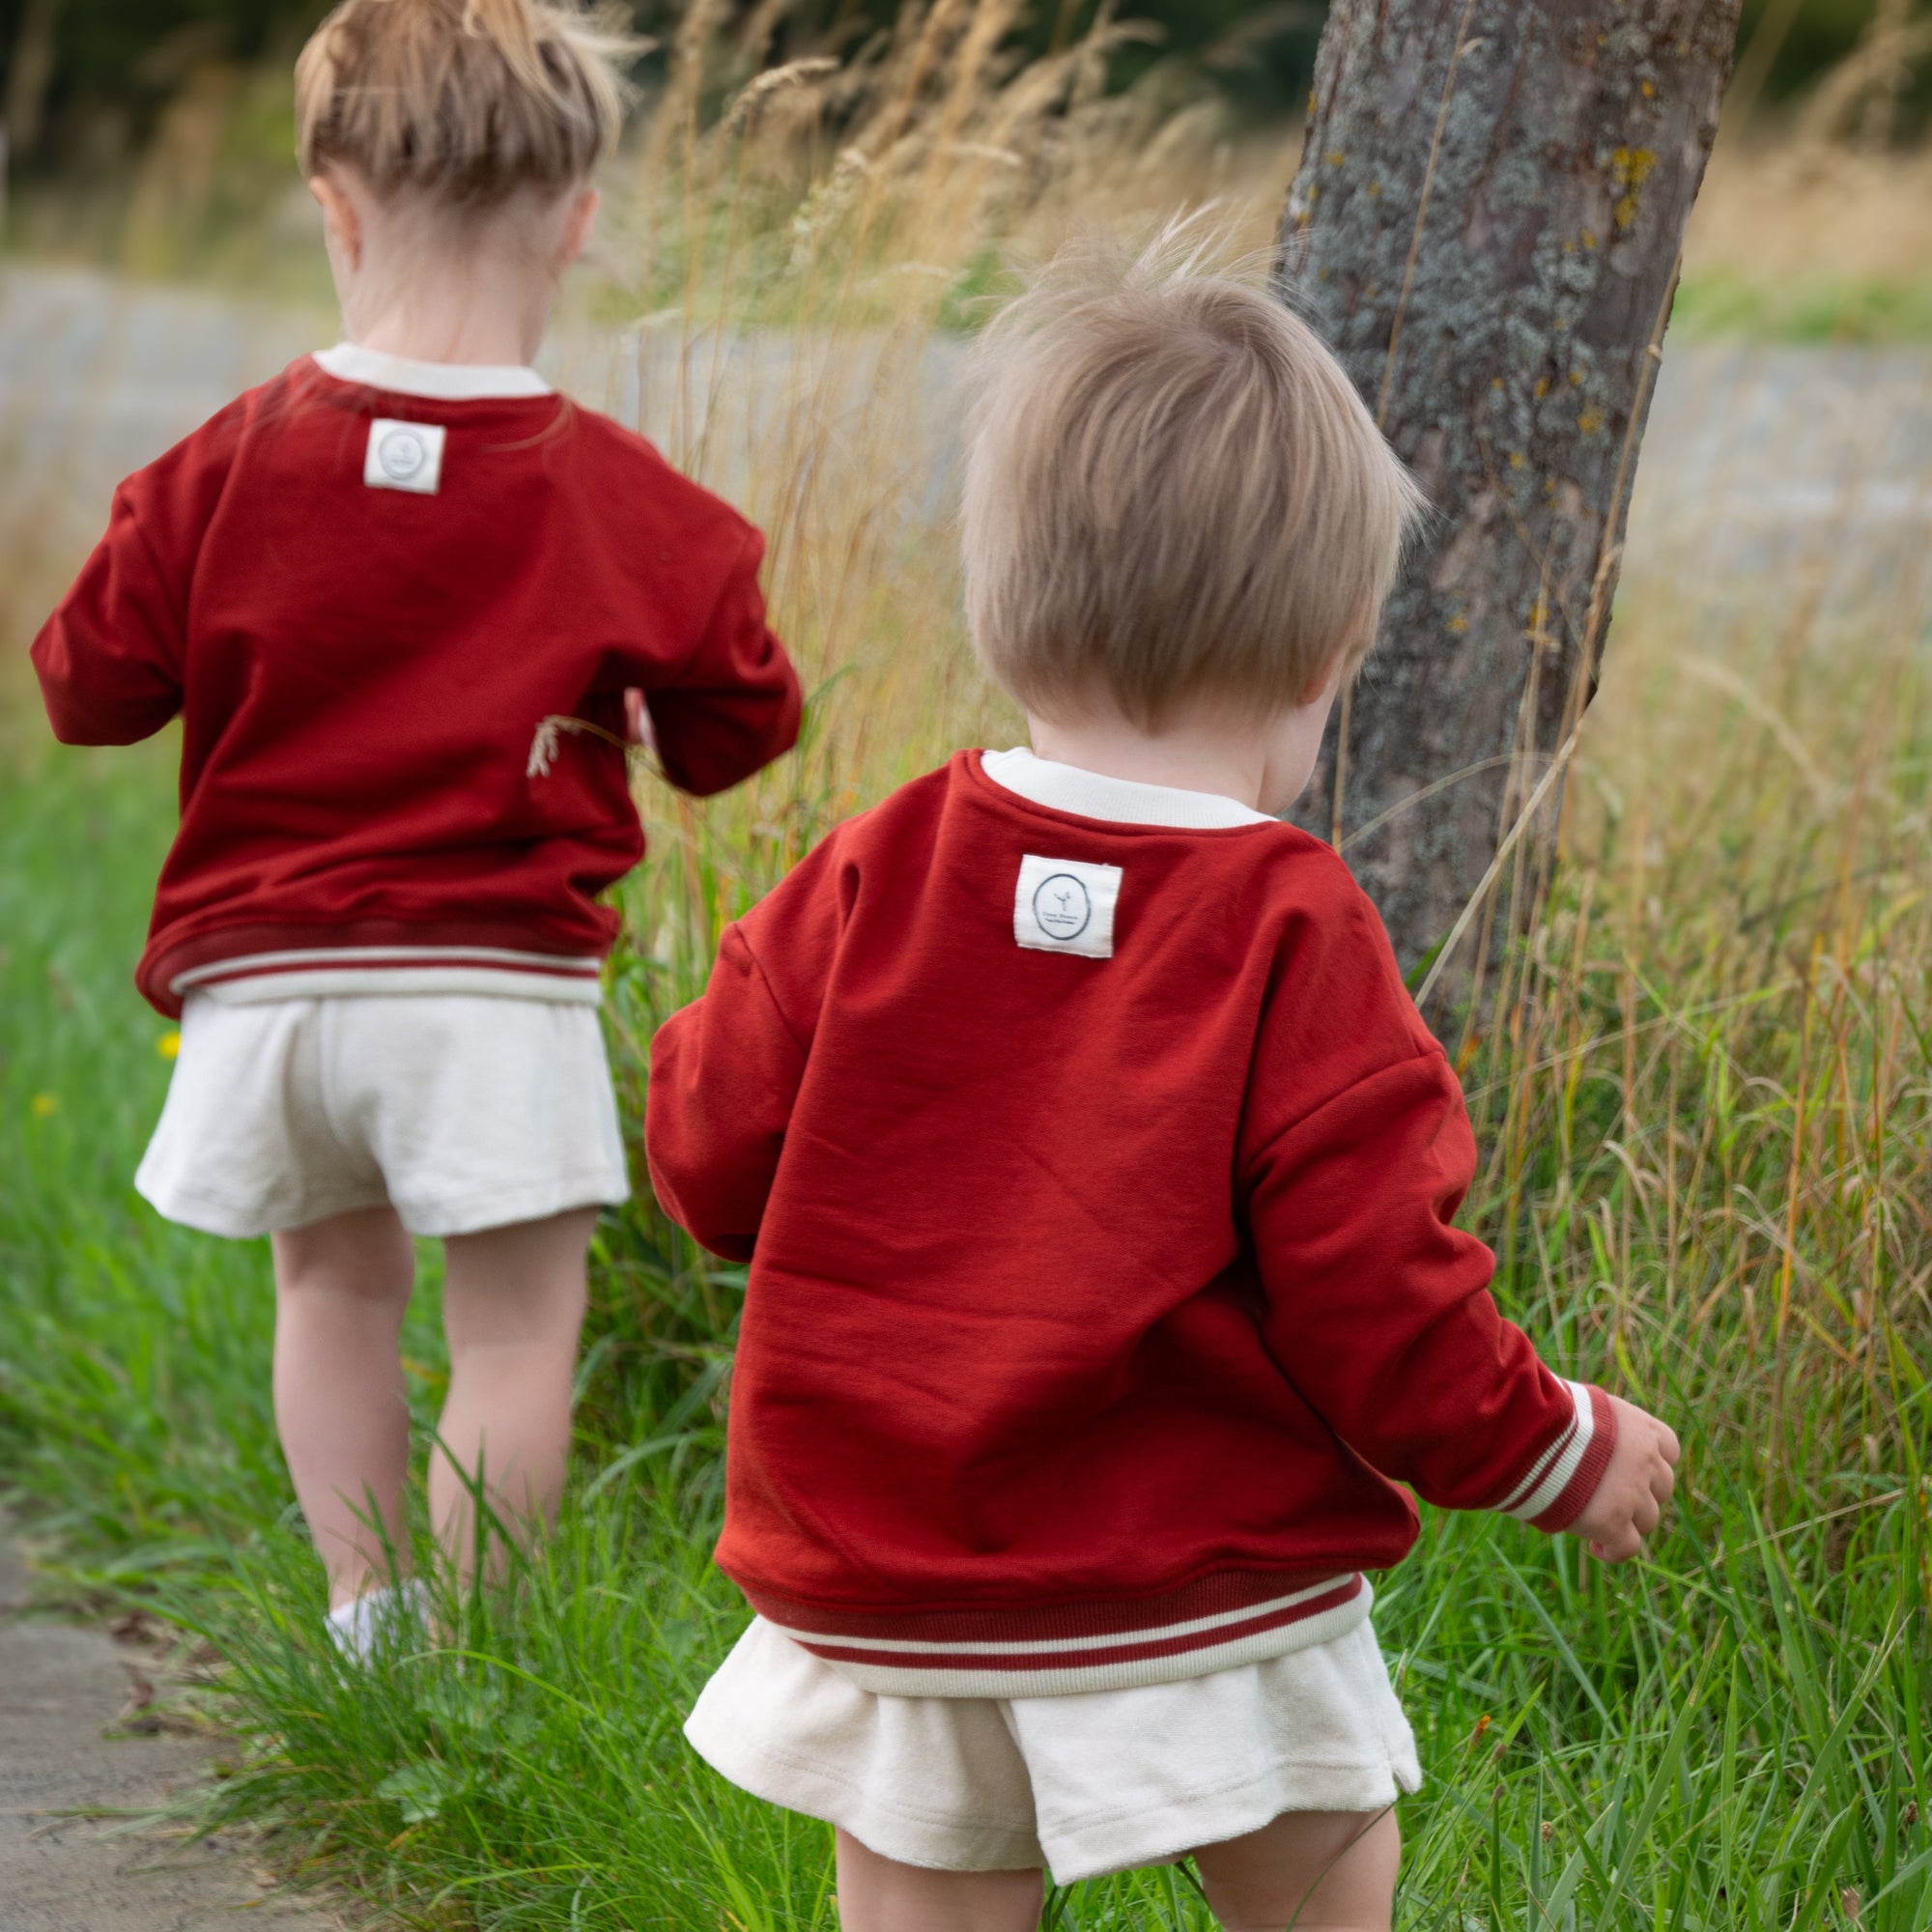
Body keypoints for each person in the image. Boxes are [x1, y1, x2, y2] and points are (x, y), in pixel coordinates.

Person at [644, 236, 1679, 1932]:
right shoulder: (1290, 926)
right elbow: (1380, 1296)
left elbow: (702, 1154)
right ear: (1327, 656)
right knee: (1321, 1856)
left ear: (1002, 608)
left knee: (918, 1877)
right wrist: (1554, 1446)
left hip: (895, 1575)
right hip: (1201, 1586)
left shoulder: (878, 867)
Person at [30, 0, 800, 1661]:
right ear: (577, 222)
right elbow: (744, 725)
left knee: (334, 1288)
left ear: (334, 204)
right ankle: (470, 1668)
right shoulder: (623, 498)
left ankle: (369, 1624)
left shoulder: (216, 468)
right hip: (485, 987)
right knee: (514, 1331)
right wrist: (638, 707)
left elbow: (85, 687)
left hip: (266, 986)